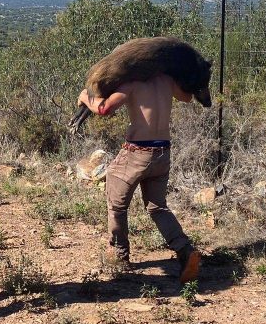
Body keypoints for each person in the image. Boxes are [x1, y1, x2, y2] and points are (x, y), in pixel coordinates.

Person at [77, 73, 201, 284]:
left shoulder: (133, 81)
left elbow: (104, 108)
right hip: (162, 152)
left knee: (116, 202)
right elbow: (187, 97)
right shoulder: (167, 79)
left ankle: (119, 254)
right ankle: (185, 251)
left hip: (137, 153)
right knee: (157, 207)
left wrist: (85, 97)